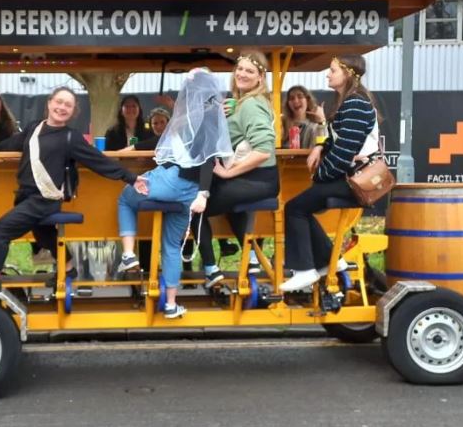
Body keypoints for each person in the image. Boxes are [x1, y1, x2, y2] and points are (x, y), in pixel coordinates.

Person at [0, 86, 147, 293]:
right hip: (26, 197)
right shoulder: (34, 127)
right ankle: (69, 269)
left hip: (44, 200)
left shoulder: (71, 138)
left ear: (73, 111)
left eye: (68, 105)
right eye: (59, 102)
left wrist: (131, 178)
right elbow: (15, 142)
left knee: (0, 230)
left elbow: (98, 161)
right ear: (50, 103)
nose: (62, 107)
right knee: (43, 235)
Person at [115, 68, 233, 318]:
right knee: (171, 245)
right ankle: (170, 303)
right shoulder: (210, 116)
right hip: (189, 193)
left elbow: (205, 159)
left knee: (125, 197)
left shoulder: (192, 116)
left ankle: (128, 255)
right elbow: (207, 158)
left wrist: (204, 194)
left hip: (173, 180)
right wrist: (201, 194)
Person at [280, 54, 378, 292]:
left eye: (333, 70)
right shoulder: (350, 101)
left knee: (294, 208)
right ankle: (328, 261)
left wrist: (319, 176)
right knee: (301, 207)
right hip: (351, 177)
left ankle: (305, 270)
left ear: (348, 73)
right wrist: (320, 146)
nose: (328, 74)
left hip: (355, 181)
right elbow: (338, 140)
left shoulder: (355, 103)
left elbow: (344, 152)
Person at [190, 51, 280, 287]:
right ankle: (252, 259)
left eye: (250, 71)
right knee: (230, 206)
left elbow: (264, 150)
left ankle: (211, 269)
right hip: (255, 180)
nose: (242, 74)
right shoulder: (242, 102)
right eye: (239, 69)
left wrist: (229, 173)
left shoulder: (251, 104)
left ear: (261, 77)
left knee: (193, 208)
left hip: (257, 180)